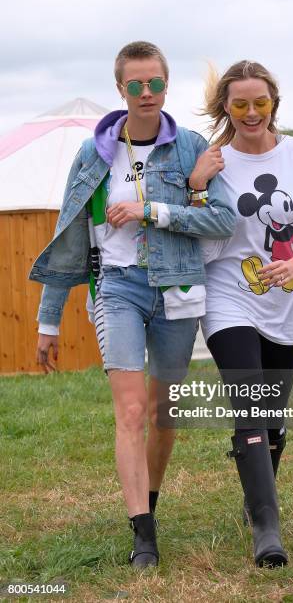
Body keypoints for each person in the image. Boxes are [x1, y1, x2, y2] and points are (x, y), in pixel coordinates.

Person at [29, 41, 235, 569]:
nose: (147, 94)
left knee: (164, 413)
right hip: (117, 287)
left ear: (167, 86)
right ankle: (142, 532)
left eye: (156, 84)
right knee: (132, 409)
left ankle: (151, 502)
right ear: (120, 90)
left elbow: (222, 221)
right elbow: (68, 234)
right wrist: (48, 320)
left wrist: (155, 211)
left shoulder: (191, 147)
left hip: (178, 288)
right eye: (136, 85)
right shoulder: (94, 152)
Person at [197, 60, 293, 568]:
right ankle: (267, 528)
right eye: (240, 104)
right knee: (252, 404)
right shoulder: (213, 161)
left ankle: (255, 493)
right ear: (226, 107)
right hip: (229, 295)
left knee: (273, 414)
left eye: (260, 103)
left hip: (292, 296)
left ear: (273, 103)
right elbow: (197, 222)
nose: (252, 112)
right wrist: (196, 185)